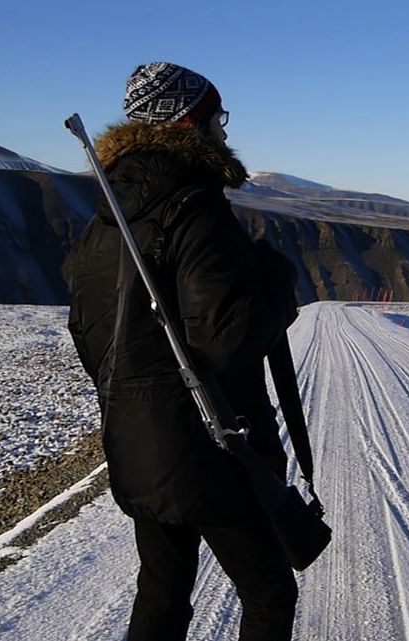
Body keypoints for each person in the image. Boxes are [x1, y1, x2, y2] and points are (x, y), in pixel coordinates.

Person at [63, 61, 300, 641]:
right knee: (269, 592)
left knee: (163, 591)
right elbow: (226, 340)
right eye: (215, 117)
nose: (223, 130)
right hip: (209, 448)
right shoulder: (195, 206)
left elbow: (85, 332)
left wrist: (138, 400)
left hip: (137, 437)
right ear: (189, 121)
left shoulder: (106, 220)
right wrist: (274, 282)